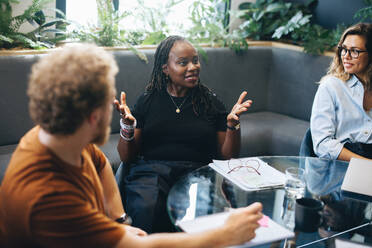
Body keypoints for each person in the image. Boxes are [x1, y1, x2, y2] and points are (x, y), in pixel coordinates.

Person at [0, 44, 263, 248]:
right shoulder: (47, 199)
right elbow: (140, 246)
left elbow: (101, 162)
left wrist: (119, 220)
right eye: (109, 97)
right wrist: (225, 233)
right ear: (94, 116)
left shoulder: (56, 137)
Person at [114, 35, 253, 233]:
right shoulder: (148, 100)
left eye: (195, 60)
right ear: (165, 68)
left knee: (203, 215)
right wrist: (127, 127)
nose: (193, 67)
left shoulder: (210, 103)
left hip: (197, 173)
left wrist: (233, 125)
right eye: (183, 62)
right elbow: (127, 157)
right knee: (147, 208)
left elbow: (228, 156)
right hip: (151, 172)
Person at [311, 23, 372, 161]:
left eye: (355, 51)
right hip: (341, 164)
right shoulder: (330, 86)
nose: (346, 56)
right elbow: (322, 144)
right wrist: (366, 165)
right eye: (343, 49)